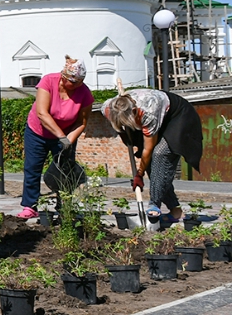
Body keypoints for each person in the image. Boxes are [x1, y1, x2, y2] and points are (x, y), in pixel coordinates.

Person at [103, 83, 202, 222]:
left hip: (179, 117)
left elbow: (148, 149)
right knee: (152, 167)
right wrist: (124, 136)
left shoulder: (148, 112)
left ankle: (154, 204)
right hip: (156, 117)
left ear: (135, 112)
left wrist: (139, 174)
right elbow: (119, 127)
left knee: (160, 154)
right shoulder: (108, 108)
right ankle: (176, 211)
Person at [17, 56, 93, 220]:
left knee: (65, 171)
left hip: (66, 136)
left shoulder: (85, 93)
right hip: (38, 133)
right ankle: (30, 206)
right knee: (32, 168)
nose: (77, 85)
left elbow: (81, 122)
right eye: (73, 82)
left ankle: (64, 206)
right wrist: (61, 137)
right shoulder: (48, 81)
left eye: (80, 82)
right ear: (64, 77)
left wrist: (68, 141)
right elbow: (42, 113)